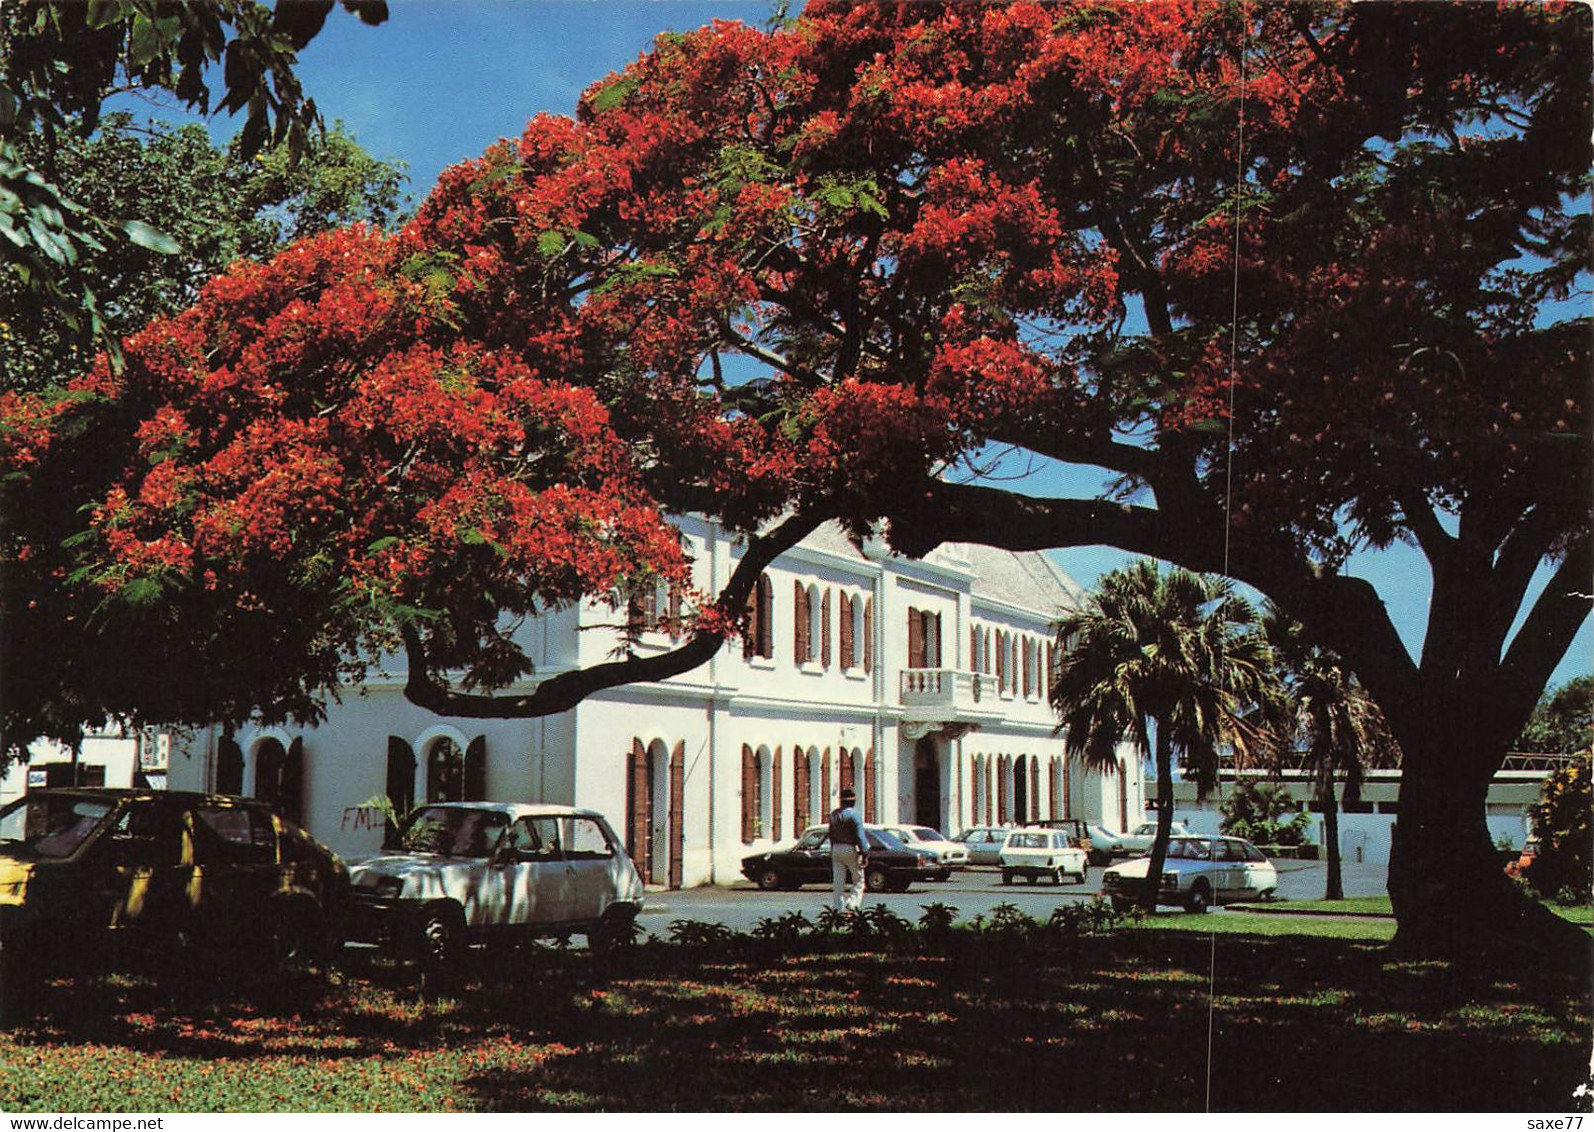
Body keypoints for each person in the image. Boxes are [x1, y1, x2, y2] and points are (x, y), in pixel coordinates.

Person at [827, 787, 869, 913]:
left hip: (836, 848)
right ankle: (852, 902)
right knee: (858, 879)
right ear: (853, 801)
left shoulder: (834, 815)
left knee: (838, 882)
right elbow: (860, 836)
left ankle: (837, 909)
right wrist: (864, 853)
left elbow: (830, 834)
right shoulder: (855, 815)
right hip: (850, 847)